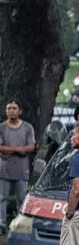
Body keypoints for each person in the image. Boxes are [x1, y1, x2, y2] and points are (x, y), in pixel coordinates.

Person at [0, 100, 36, 236]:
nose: (11, 111)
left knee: (21, 198)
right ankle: (1, 224)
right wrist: (18, 149)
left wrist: (9, 150)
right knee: (2, 198)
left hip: (22, 168)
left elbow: (31, 146)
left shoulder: (27, 128)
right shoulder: (1, 128)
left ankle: (20, 225)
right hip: (4, 168)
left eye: (14, 108)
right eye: (8, 108)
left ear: (19, 111)